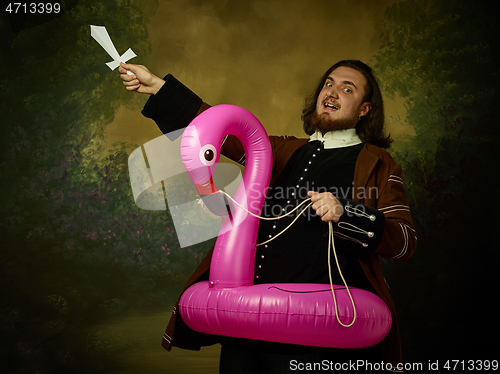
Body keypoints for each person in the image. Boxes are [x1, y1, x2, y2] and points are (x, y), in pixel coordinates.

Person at [119, 60, 416, 373]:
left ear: (364, 109)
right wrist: (158, 88)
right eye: (328, 83)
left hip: (316, 334)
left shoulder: (379, 163)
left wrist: (347, 214)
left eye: (347, 88)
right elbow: (220, 126)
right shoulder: (282, 150)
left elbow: (404, 241)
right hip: (245, 324)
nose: (332, 91)